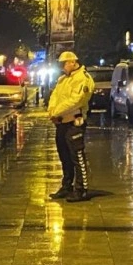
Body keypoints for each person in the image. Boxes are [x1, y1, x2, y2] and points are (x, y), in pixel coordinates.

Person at [47, 51, 94, 202]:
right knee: (64, 156)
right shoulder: (63, 79)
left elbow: (76, 100)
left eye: (64, 63)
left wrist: (56, 112)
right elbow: (55, 96)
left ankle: (81, 189)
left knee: (77, 156)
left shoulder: (83, 78)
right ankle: (67, 186)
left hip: (75, 123)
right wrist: (52, 111)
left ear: (73, 62)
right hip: (62, 122)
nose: (62, 67)